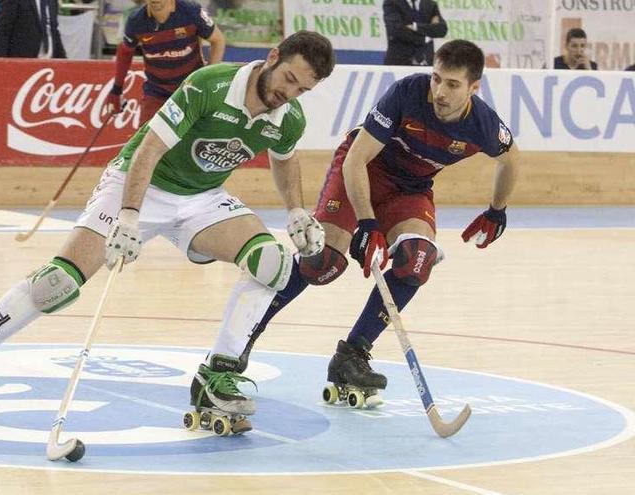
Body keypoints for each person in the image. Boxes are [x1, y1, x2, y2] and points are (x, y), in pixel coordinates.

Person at [0, 31, 336, 434]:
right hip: (140, 183)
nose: (290, 93)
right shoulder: (209, 85)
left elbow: (284, 160)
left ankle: (218, 375)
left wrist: (296, 211)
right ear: (272, 57)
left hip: (202, 198)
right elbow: (149, 150)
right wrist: (129, 215)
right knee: (56, 283)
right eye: (288, 79)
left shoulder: (289, 118)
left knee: (272, 262)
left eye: (302, 89)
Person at [209, 39, 520, 409]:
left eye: (452, 84)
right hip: (362, 169)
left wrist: (496, 210)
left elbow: (511, 160)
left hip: (410, 188)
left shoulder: (483, 123)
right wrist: (368, 223)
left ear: (473, 88)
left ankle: (352, 355)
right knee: (323, 262)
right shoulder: (407, 94)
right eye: (436, 79)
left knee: (417, 260)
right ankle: (246, 333)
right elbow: (356, 160)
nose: (439, 91)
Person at [102, 0, 226, 123]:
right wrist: (116, 89)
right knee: (145, 141)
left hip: (191, 89)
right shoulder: (136, 21)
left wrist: (208, 81)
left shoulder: (191, 11)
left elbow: (218, 40)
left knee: (192, 140)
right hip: (156, 92)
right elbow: (125, 52)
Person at [382, 0, 447, 66]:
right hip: (400, 62)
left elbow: (441, 30)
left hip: (426, 62)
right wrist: (426, 38)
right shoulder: (392, 2)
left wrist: (415, 26)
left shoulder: (430, 4)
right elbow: (396, 30)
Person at [0, 0, 66, 58]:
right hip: (23, 63)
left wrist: (65, 62)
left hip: (50, 65)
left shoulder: (52, 1)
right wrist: (0, 65)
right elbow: (3, 32)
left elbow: (53, 31)